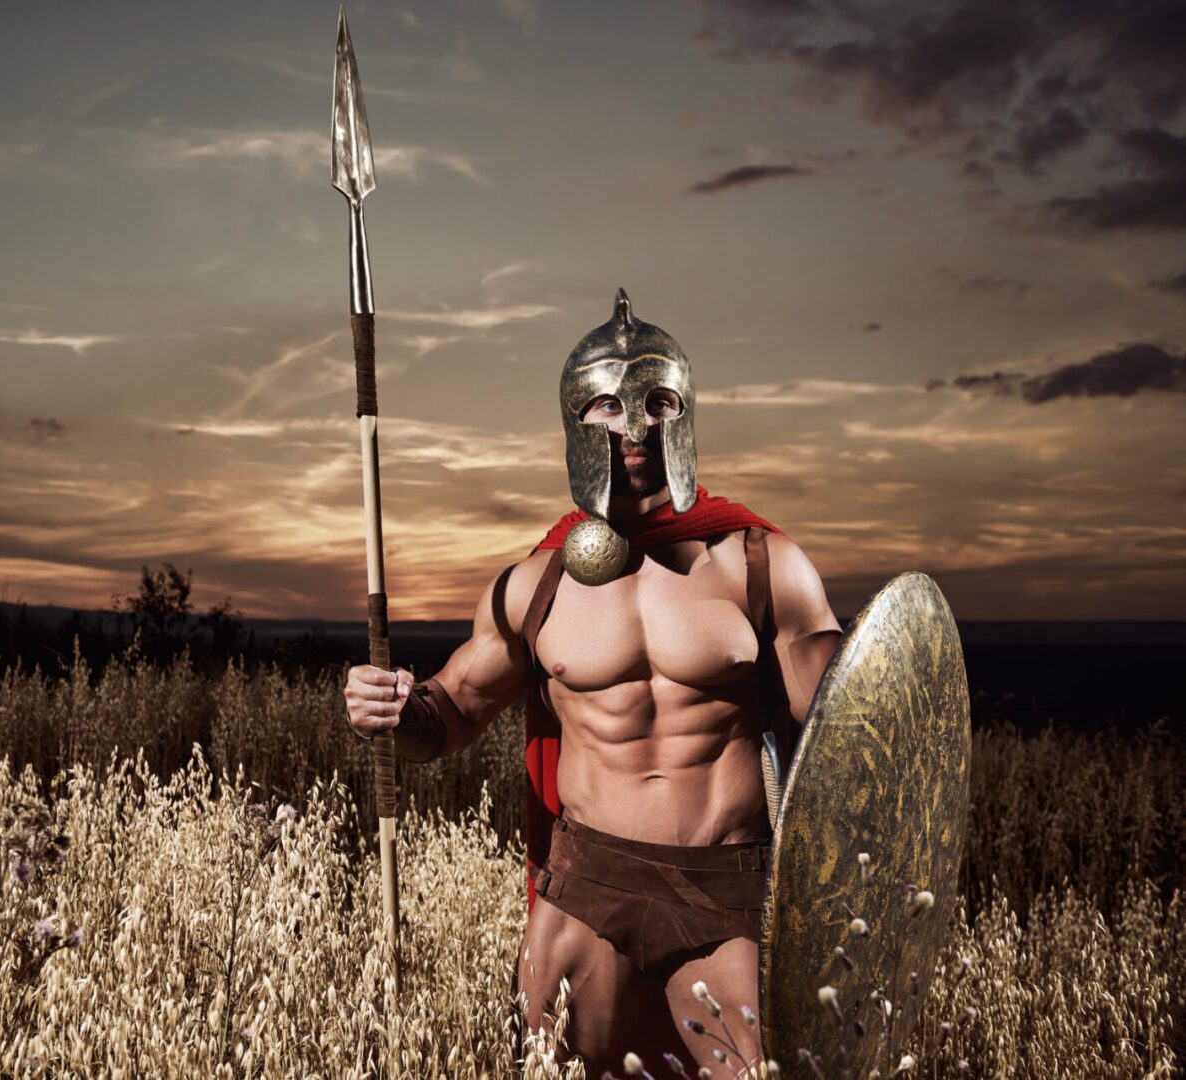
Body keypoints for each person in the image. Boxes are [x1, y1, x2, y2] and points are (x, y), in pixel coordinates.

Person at [344, 290, 841, 1078]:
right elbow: (449, 717)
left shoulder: (761, 564)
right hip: (587, 884)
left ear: (684, 413)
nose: (633, 426)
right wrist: (394, 711)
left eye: (656, 401)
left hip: (725, 886)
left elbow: (850, 732)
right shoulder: (533, 584)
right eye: (606, 405)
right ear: (576, 421)